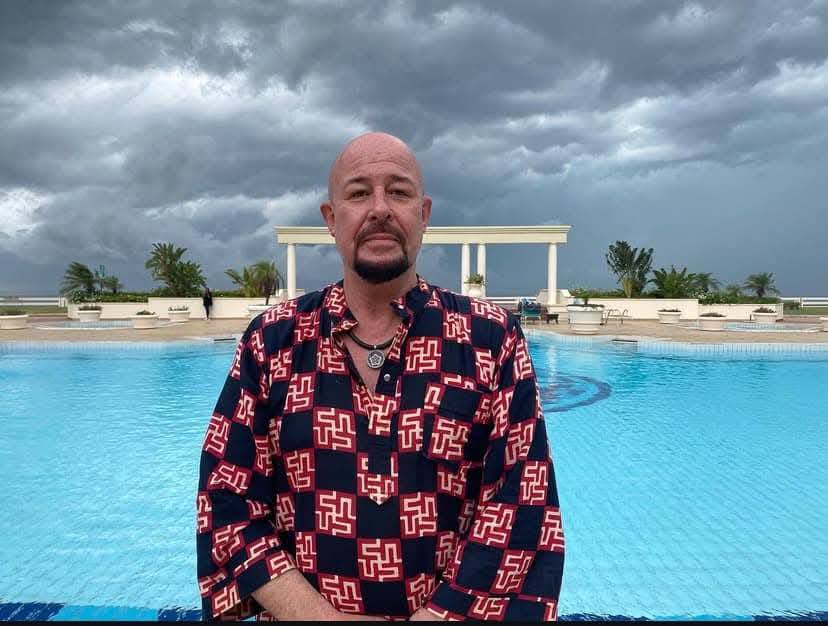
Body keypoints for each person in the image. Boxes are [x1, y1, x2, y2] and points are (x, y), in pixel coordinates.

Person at [196, 133, 564, 621]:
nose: (380, 209)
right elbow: (227, 495)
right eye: (358, 193)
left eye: (399, 191)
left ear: (424, 214)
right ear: (331, 219)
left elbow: (521, 500)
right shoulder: (272, 341)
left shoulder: (490, 339)